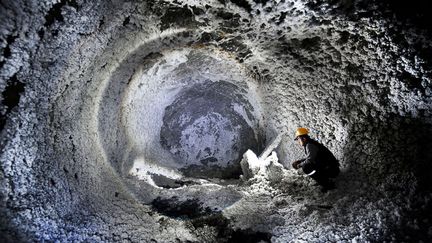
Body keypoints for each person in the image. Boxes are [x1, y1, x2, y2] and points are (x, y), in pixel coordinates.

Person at [291, 127, 340, 192]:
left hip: (331, 170)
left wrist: (299, 165)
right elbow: (312, 157)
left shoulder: (309, 145)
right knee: (307, 164)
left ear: (304, 138)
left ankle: (328, 184)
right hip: (330, 167)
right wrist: (300, 161)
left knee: (306, 167)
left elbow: (310, 160)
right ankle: (324, 179)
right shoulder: (310, 143)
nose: (298, 141)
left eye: (298, 139)